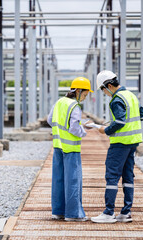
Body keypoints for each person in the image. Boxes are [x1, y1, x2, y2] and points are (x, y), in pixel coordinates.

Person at [91, 70, 143, 223]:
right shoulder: (131, 95)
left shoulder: (116, 99)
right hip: (133, 142)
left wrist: (105, 129)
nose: (104, 93)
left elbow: (121, 121)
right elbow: (141, 115)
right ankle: (126, 212)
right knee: (128, 176)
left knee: (112, 176)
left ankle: (108, 212)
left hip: (120, 143)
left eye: (103, 90)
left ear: (108, 86)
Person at [47, 76, 93, 222]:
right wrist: (83, 130)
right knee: (73, 180)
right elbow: (74, 127)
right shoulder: (75, 106)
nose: (85, 98)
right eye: (85, 94)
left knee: (58, 179)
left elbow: (50, 120)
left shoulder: (59, 102)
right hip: (71, 148)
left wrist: (60, 130)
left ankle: (58, 212)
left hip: (58, 146)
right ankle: (73, 214)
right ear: (78, 91)